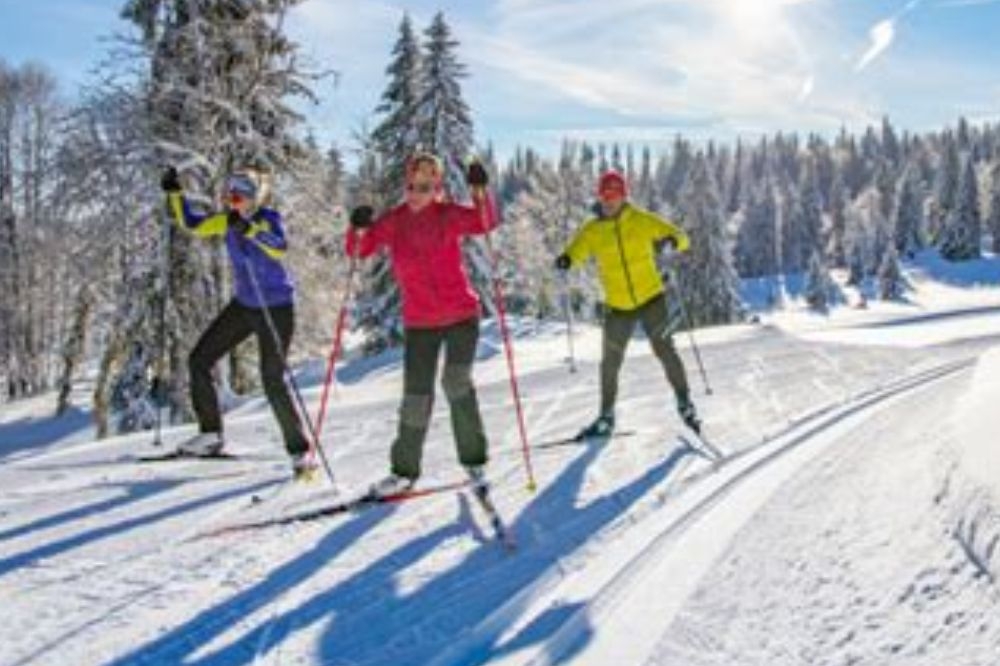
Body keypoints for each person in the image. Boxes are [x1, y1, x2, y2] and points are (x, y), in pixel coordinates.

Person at [346, 152, 498, 496]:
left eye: (426, 186)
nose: (418, 192)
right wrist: (357, 227)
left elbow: (483, 222)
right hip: (420, 322)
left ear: (437, 187)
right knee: (416, 396)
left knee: (456, 382)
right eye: (413, 185)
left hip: (461, 316)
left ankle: (474, 461)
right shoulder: (395, 221)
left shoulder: (447, 215)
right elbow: (360, 249)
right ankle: (403, 471)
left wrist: (480, 191)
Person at [161, 166, 315, 476]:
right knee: (199, 360)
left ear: (255, 196)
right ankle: (210, 434)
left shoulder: (267, 218)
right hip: (245, 305)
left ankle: (299, 451)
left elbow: (278, 246)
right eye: (231, 191)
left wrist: (251, 230)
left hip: (276, 308)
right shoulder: (228, 221)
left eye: (242, 192)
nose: (235, 198)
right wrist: (174, 193)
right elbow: (191, 224)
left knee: (272, 379)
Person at [555, 169, 701, 438]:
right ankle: (606, 416)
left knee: (665, 350)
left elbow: (682, 237)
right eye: (606, 194)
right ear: (600, 196)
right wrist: (566, 260)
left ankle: (685, 403)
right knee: (610, 362)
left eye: (616, 194)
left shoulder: (642, 220)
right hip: (618, 306)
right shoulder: (592, 230)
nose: (611, 200)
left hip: (651, 298)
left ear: (624, 195)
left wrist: (672, 242)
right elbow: (576, 251)